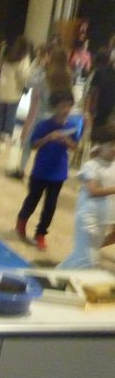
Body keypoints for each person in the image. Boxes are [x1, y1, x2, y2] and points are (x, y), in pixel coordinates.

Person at [15, 89, 79, 251]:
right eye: (62, 106)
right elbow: (33, 145)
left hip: (59, 172)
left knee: (50, 206)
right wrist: (48, 138)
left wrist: (67, 141)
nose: (65, 109)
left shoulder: (72, 126)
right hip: (41, 170)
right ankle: (22, 222)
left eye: (68, 106)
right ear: (55, 107)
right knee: (32, 199)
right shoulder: (44, 125)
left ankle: (41, 233)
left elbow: (75, 147)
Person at [58, 124, 115, 269]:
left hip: (103, 220)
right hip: (88, 218)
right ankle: (55, 276)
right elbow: (93, 191)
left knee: (83, 256)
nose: (114, 149)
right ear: (101, 145)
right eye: (111, 144)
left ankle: (55, 275)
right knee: (88, 260)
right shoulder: (91, 166)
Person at [11, 47, 73, 179]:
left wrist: (40, 67)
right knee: (51, 147)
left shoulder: (46, 75)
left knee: (29, 143)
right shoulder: (68, 77)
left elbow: (29, 83)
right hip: (59, 117)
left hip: (42, 115)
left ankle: (21, 169)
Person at [0, 36, 31, 142]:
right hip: (14, 91)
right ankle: (6, 137)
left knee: (0, 114)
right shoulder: (23, 58)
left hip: (2, 89)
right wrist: (25, 86)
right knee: (10, 115)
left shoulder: (8, 55)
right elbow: (23, 75)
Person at [85, 48, 115, 135]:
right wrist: (88, 114)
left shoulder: (100, 72)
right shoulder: (100, 73)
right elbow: (91, 95)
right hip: (100, 118)